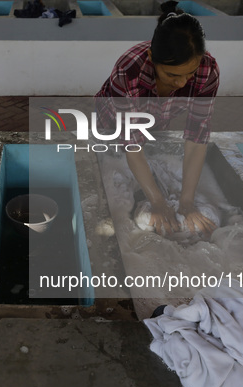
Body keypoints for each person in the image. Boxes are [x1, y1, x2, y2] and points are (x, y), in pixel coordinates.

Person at [95, 0, 220, 237]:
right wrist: (158, 203)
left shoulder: (207, 71)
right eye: (172, 74)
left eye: (189, 74)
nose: (182, 83)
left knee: (150, 149)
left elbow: (197, 137)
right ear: (152, 57)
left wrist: (186, 202)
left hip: (156, 120)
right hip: (110, 121)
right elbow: (132, 144)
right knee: (111, 164)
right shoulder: (129, 70)